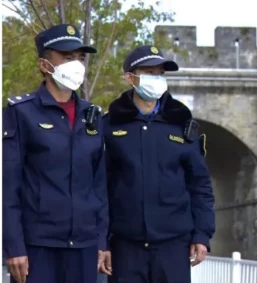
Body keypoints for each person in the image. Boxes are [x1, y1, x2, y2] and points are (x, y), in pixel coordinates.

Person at [3, 24, 110, 283]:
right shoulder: (21, 113)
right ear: (44, 64)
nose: (76, 64)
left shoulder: (92, 116)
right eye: (67, 57)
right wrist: (13, 246)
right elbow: (7, 186)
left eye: (80, 58)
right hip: (38, 247)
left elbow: (99, 185)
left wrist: (102, 240)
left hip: (84, 247)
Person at [102, 45, 215, 283]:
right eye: (150, 72)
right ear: (130, 77)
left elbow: (200, 186)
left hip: (173, 246)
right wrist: (101, 241)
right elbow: (98, 189)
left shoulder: (182, 126)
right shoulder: (109, 126)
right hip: (125, 248)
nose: (157, 78)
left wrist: (202, 234)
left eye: (161, 73)